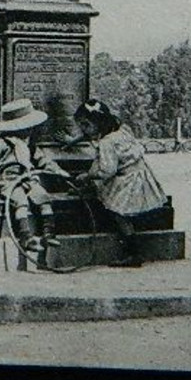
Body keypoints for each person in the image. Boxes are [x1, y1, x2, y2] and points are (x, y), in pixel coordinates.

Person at [73, 99, 167, 267]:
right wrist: (73, 140)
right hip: (140, 174)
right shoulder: (122, 130)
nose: (84, 130)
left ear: (99, 123)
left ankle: (133, 254)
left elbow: (107, 170)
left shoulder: (106, 143)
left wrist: (87, 176)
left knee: (118, 213)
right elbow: (94, 135)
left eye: (86, 125)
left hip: (128, 181)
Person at [0, 98, 70, 267]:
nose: (30, 130)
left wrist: (57, 170)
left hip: (29, 177)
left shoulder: (29, 144)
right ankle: (26, 236)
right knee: (20, 202)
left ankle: (49, 234)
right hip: (10, 180)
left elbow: (42, 160)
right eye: (27, 126)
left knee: (43, 198)